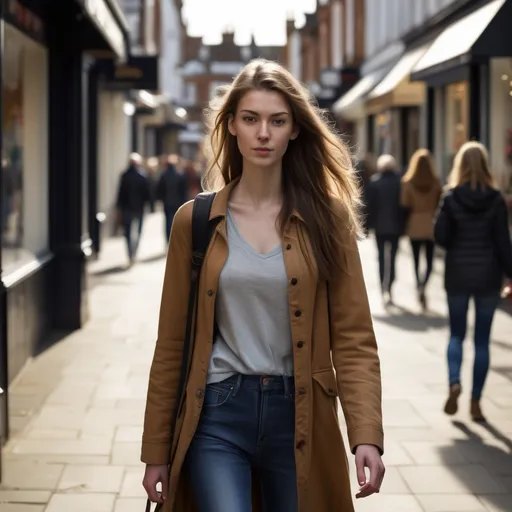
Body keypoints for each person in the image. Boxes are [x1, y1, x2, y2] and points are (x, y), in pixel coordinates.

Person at [141, 59, 385, 512]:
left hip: (301, 417)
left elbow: (354, 338)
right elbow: (171, 344)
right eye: (250, 119)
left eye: (277, 120)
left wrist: (366, 435)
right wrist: (156, 451)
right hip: (216, 414)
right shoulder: (193, 222)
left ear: (295, 129)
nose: (263, 133)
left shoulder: (327, 220)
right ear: (231, 124)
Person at [434, 141, 512, 422]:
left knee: (456, 334)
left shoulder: (451, 197)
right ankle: (476, 401)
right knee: (482, 341)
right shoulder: (495, 198)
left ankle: (454, 381)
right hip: (489, 276)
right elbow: (504, 242)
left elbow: (440, 236)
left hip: (457, 273)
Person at [401, 149, 442, 309]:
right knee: (430, 261)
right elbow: (441, 202)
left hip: (415, 224)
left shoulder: (407, 182)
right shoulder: (436, 181)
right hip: (431, 224)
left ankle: (418, 284)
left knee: (416, 259)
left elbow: (404, 204)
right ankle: (424, 284)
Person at [367, 154, 406, 305]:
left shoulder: (375, 183)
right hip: (396, 227)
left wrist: (367, 225)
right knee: (394, 257)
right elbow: (403, 206)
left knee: (382, 257)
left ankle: (383, 286)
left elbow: (368, 206)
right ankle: (389, 285)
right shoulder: (399, 182)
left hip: (379, 227)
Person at [115, 152, 151, 265]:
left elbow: (120, 193)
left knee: (128, 232)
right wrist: (149, 205)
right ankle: (134, 251)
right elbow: (147, 193)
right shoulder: (142, 176)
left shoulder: (124, 175)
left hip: (127, 208)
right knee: (138, 231)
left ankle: (130, 253)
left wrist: (119, 206)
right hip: (139, 208)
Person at [156, 154, 188, 242]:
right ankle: (174, 238)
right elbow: (183, 191)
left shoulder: (163, 175)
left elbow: (159, 189)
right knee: (176, 221)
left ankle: (168, 239)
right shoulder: (179, 175)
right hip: (177, 203)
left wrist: (161, 199)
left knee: (167, 222)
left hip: (167, 202)